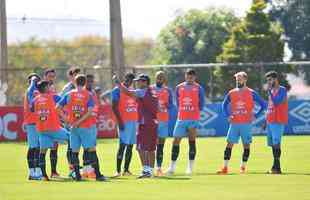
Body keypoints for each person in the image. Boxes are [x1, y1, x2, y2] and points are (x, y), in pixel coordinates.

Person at [56, 74, 107, 181]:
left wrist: (68, 121)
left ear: (75, 82)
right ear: (84, 83)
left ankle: (77, 176)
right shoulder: (88, 94)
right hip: (86, 126)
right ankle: (98, 175)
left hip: (73, 127)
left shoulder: (69, 94)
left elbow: (57, 108)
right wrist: (79, 121)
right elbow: (89, 111)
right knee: (91, 149)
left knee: (74, 151)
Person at [217, 71, 266, 174]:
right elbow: (224, 105)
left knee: (246, 146)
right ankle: (225, 168)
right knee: (229, 144)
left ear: (245, 79)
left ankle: (243, 167)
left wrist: (256, 115)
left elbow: (263, 104)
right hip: (234, 123)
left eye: (239, 79)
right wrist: (227, 115)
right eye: (236, 79)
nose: (237, 80)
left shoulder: (251, 93)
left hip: (246, 124)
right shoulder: (232, 92)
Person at [113, 74, 158, 178]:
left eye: (140, 81)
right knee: (151, 148)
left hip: (144, 123)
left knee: (140, 148)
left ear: (145, 82)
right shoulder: (152, 91)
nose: (137, 83)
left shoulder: (142, 92)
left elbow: (126, 92)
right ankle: (151, 171)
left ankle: (146, 171)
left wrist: (117, 82)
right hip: (153, 122)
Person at [166, 69, 205, 175]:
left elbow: (201, 103)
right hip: (181, 118)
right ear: (185, 76)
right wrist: (183, 111)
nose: (190, 78)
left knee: (192, 141)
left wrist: (194, 112)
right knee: (175, 141)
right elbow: (178, 102)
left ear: (195, 77)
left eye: (192, 76)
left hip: (193, 118)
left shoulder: (198, 88)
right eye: (188, 75)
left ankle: (190, 168)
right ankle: (172, 167)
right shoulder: (179, 87)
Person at [30, 80, 69, 181]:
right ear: (46, 87)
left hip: (42, 129)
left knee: (42, 152)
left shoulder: (35, 99)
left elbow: (32, 109)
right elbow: (65, 102)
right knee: (72, 138)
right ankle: (75, 169)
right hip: (54, 128)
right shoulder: (53, 96)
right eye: (49, 86)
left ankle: (44, 176)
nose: (51, 87)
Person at [111, 73, 138, 177]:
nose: (130, 81)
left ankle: (126, 170)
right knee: (122, 146)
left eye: (132, 80)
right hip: (124, 122)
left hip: (133, 122)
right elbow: (114, 106)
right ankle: (117, 171)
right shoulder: (117, 90)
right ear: (125, 78)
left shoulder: (132, 91)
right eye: (129, 79)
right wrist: (120, 121)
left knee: (130, 146)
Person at [264, 71, 288, 174]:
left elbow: (277, 102)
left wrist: (269, 92)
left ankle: (278, 168)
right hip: (270, 120)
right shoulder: (271, 91)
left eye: (270, 80)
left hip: (278, 120)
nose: (268, 82)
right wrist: (265, 121)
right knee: (273, 145)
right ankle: (274, 167)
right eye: (267, 80)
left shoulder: (282, 90)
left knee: (277, 143)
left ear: (275, 79)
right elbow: (270, 106)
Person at [151, 71, 174, 176]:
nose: (160, 78)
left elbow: (171, 105)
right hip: (153, 121)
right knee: (151, 145)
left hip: (164, 120)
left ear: (164, 79)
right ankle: (149, 168)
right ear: (155, 78)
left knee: (161, 146)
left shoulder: (168, 90)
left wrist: (166, 105)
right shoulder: (150, 89)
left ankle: (159, 167)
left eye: (162, 77)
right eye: (158, 77)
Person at [24, 73, 41, 180]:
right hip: (32, 123)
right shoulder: (30, 91)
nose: (35, 82)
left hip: (39, 123)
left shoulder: (37, 92)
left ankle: (37, 171)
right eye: (33, 80)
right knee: (33, 147)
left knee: (38, 148)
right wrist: (33, 81)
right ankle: (31, 172)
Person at [43, 68, 60, 178]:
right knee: (42, 148)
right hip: (44, 123)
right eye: (49, 76)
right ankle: (40, 172)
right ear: (45, 77)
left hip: (54, 122)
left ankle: (53, 172)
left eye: (53, 76)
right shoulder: (40, 89)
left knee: (54, 146)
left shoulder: (53, 88)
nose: (51, 78)